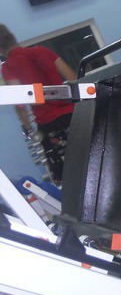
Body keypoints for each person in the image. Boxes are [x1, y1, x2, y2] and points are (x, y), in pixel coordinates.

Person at [0, 24, 75, 183]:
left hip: (50, 125)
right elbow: (72, 78)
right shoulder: (42, 51)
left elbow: (20, 102)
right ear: (13, 38)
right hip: (75, 116)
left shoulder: (8, 66)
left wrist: (29, 129)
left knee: (65, 175)